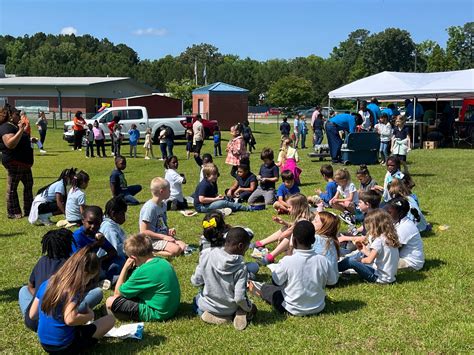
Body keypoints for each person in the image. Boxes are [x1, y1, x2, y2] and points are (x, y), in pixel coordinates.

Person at [29, 246, 115, 353]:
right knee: (110, 320)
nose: (88, 282)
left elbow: (32, 314)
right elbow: (70, 319)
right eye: (90, 278)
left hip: (45, 344)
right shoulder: (73, 290)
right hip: (65, 346)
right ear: (85, 274)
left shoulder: (48, 283)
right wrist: (90, 315)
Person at [250, 220, 337, 316]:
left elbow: (276, 282)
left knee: (270, 289)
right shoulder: (323, 260)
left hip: (291, 308)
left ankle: (260, 288)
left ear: (294, 240)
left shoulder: (288, 261)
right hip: (318, 307)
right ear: (313, 240)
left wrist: (289, 252)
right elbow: (332, 281)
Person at [191, 227, 256, 330]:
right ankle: (237, 313)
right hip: (229, 308)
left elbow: (196, 281)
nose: (244, 253)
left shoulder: (207, 254)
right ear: (241, 246)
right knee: (245, 304)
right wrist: (249, 307)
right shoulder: (240, 267)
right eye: (246, 249)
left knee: (196, 300)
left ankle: (216, 316)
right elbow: (239, 298)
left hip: (208, 305)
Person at [106, 233, 181, 322]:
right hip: (171, 308)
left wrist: (125, 268)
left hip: (158, 313)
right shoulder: (164, 262)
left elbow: (117, 293)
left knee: (110, 301)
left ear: (133, 258)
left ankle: (115, 316)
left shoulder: (142, 271)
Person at [338, 209, 400, 284]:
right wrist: (363, 249)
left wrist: (357, 260)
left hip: (379, 278)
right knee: (352, 260)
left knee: (350, 261)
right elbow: (376, 256)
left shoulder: (378, 241)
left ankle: (334, 269)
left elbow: (369, 260)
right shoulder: (388, 238)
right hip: (389, 277)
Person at [253, 194, 313, 265]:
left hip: (305, 245)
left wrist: (280, 238)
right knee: (286, 228)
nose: (288, 209)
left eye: (289, 207)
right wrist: (284, 222)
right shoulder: (305, 215)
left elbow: (290, 231)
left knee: (289, 236)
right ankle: (261, 243)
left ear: (297, 207)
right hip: (302, 242)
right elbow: (294, 226)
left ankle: (270, 257)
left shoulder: (303, 219)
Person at [0, 106, 34, 219]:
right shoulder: (6, 127)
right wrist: (20, 130)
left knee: (28, 185)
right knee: (13, 187)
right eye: (17, 114)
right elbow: (10, 143)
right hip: (14, 161)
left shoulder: (14, 126)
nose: (19, 117)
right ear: (10, 115)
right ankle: (13, 212)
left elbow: (19, 140)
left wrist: (28, 139)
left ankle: (29, 210)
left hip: (24, 162)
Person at [139, 177, 187, 257]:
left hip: (161, 237)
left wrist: (168, 230)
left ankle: (162, 249)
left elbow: (161, 223)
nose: (170, 191)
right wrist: (164, 237)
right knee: (176, 250)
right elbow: (144, 232)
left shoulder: (163, 205)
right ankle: (151, 252)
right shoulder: (150, 207)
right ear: (162, 192)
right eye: (169, 190)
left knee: (183, 246)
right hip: (151, 240)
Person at [71, 205, 120, 281]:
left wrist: (100, 259)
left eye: (97, 223)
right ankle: (107, 278)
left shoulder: (96, 234)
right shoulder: (77, 235)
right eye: (90, 223)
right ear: (83, 220)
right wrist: (95, 245)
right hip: (79, 268)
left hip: (94, 265)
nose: (93, 226)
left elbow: (112, 251)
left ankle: (106, 277)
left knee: (119, 259)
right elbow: (78, 258)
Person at [385, 197, 424, 271]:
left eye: (389, 212)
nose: (387, 214)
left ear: (400, 213)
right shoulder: (397, 222)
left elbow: (393, 250)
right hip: (400, 257)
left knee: (377, 264)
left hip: (410, 263)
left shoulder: (405, 227)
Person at [98, 196, 129, 276]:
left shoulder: (113, 224)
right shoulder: (109, 228)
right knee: (122, 261)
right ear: (113, 213)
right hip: (107, 261)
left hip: (114, 257)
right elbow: (115, 251)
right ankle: (109, 277)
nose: (124, 216)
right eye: (122, 213)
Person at [312, 211, 340, 283]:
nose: (312, 222)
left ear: (324, 226)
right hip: (333, 278)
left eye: (315, 221)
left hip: (322, 279)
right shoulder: (332, 240)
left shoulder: (316, 238)